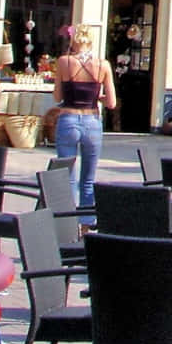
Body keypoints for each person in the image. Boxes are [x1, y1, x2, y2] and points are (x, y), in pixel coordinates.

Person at [52, 25, 116, 209]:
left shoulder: (64, 62)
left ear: (73, 41)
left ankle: (68, 225)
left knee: (68, 177)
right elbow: (111, 103)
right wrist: (98, 97)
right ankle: (86, 223)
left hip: (68, 118)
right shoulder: (103, 65)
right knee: (88, 179)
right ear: (91, 41)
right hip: (92, 120)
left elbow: (57, 97)